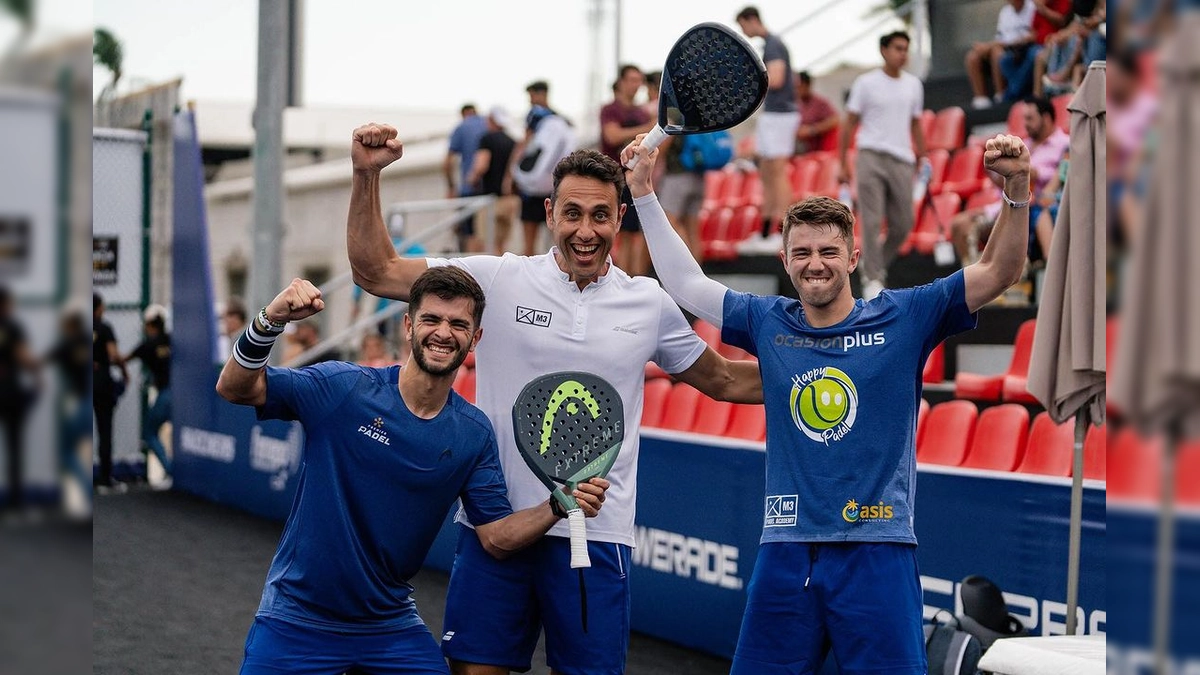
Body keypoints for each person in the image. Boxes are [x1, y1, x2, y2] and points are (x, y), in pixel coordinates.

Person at [346, 122, 763, 675]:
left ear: (619, 218)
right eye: (572, 214)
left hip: (598, 537)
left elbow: (727, 381)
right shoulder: (497, 279)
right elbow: (377, 271)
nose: (585, 230)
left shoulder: (649, 303)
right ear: (549, 214)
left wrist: (832, 369)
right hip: (496, 530)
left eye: (599, 215)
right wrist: (366, 175)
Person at [625, 130, 1033, 675]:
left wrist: (1017, 190)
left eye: (827, 251)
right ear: (786, 260)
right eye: (802, 253)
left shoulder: (904, 316)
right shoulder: (768, 322)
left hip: (878, 546)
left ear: (852, 255)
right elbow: (685, 282)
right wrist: (645, 195)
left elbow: (999, 272)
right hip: (786, 549)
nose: (815, 263)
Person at [216, 269, 609, 675]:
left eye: (459, 324)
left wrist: (557, 506)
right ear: (408, 326)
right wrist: (269, 321)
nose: (443, 333)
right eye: (431, 320)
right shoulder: (345, 387)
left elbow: (495, 537)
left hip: (387, 627)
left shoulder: (472, 434)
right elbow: (236, 388)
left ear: (475, 339)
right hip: (296, 621)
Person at [838, 30, 928, 300]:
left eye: (906, 48)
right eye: (898, 48)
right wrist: (842, 160)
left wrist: (923, 156)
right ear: (884, 50)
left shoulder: (914, 85)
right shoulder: (866, 83)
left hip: (903, 159)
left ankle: (872, 265)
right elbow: (850, 123)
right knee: (873, 220)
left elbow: (915, 123)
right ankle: (873, 277)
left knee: (903, 223)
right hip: (871, 156)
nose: (903, 54)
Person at [737, 6, 800, 249]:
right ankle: (766, 231)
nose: (744, 31)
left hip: (780, 114)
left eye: (743, 26)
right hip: (773, 114)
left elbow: (777, 77)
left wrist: (747, 83)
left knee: (777, 171)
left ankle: (783, 231)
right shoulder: (770, 45)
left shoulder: (773, 44)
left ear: (750, 20)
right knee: (766, 171)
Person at [600, 64, 655, 277]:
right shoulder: (611, 109)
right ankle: (620, 280)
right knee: (621, 234)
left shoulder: (642, 112)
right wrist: (645, 131)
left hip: (638, 179)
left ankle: (635, 282)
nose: (636, 85)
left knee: (639, 236)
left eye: (638, 80)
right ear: (621, 82)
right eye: (631, 80)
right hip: (616, 178)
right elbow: (612, 136)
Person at [0, 287, 40, 512]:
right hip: (8, 392)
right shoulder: (12, 327)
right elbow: (22, 356)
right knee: (15, 446)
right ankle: (16, 500)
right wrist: (37, 372)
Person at [123, 305, 173, 481]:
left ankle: (171, 470)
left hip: (166, 394)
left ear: (149, 325)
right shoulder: (171, 339)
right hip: (181, 394)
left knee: (150, 433)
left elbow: (123, 359)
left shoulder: (147, 345)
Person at [467, 107, 519, 254]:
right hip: (510, 200)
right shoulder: (512, 141)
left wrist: (471, 179)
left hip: (490, 200)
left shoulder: (486, 139)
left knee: (483, 243)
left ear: (491, 120)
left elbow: (481, 165)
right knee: (501, 246)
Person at [964, 0, 1035, 109]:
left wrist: (990, 46)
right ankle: (981, 99)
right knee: (973, 57)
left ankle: (1000, 95)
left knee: (997, 52)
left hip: (1021, 49)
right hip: (1002, 45)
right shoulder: (1005, 12)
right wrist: (988, 47)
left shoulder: (1032, 7)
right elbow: (1000, 37)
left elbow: (1030, 36)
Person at [997, 0, 1072, 102]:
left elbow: (1061, 21)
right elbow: (1033, 31)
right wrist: (1022, 41)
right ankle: (1015, 91)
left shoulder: (1058, 3)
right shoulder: (1037, 9)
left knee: (1035, 55)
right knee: (1005, 60)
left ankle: (1028, 96)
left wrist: (1043, 9)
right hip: (1031, 44)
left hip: (1053, 44)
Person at [92, 292, 127, 492]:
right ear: (99, 308)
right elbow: (114, 355)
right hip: (102, 382)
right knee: (105, 429)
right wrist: (124, 371)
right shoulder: (104, 328)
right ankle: (105, 478)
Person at [446, 104, 489, 253]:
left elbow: (448, 162)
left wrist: (451, 187)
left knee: (468, 234)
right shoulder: (488, 124)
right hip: (489, 192)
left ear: (463, 113)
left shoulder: (461, 127)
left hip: (469, 189)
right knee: (485, 235)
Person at [793, 71, 839, 155]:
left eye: (799, 87)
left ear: (807, 85)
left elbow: (835, 119)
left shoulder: (820, 103)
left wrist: (812, 130)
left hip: (816, 149)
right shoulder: (796, 103)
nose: (796, 90)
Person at [217, 298, 247, 365]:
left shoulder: (242, 340)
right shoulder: (240, 337)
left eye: (225, 317)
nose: (224, 322)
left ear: (235, 318)